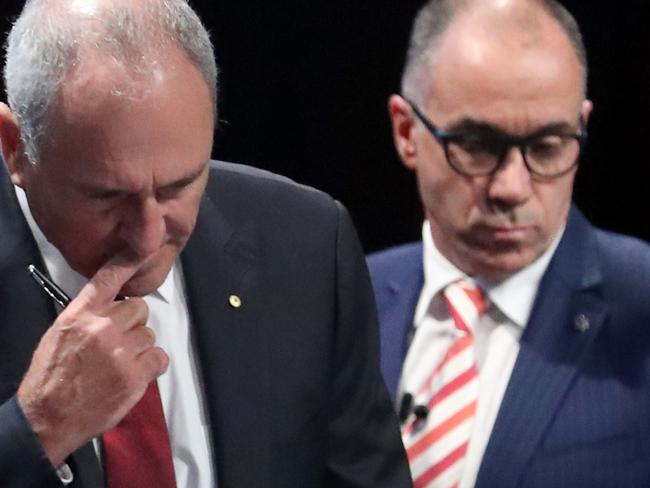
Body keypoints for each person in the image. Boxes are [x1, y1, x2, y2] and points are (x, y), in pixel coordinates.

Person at [0, 0, 411, 487]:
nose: (149, 237)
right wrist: (37, 428)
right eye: (107, 197)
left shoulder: (309, 243)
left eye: (179, 186)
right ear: (15, 149)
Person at [368, 0, 650, 487]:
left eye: (548, 146)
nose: (511, 188)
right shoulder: (347, 298)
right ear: (406, 131)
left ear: (582, 126)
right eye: (477, 145)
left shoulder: (642, 307)